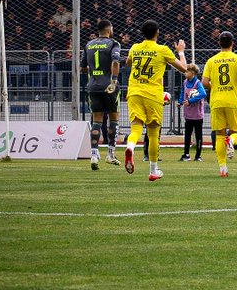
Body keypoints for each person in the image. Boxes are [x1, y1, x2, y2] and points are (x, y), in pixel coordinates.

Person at [124, 21, 187, 181]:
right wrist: (180, 52)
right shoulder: (162, 50)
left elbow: (128, 63)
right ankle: (153, 171)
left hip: (134, 92)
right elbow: (184, 68)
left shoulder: (135, 48)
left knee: (136, 127)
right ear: (157, 32)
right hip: (152, 94)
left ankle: (130, 147)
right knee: (153, 133)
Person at [202, 32, 237, 178]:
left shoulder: (211, 60)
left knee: (219, 135)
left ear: (219, 43)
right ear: (232, 43)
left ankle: (223, 169)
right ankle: (232, 141)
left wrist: (214, 87)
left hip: (216, 101)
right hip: (233, 100)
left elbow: (204, 82)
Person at [81, 18, 122, 170]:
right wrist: (114, 80)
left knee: (96, 120)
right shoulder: (113, 43)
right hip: (109, 86)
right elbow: (116, 61)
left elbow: (83, 67)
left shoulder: (89, 45)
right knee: (113, 118)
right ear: (109, 29)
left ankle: (93, 154)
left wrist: (94, 74)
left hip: (93, 86)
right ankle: (110, 154)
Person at [179, 64, 207, 161]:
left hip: (197, 115)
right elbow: (183, 92)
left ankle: (198, 155)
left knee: (198, 135)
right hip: (188, 114)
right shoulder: (185, 82)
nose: (185, 73)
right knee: (187, 134)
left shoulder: (198, 83)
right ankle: (186, 154)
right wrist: (180, 102)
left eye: (187, 71)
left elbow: (203, 93)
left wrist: (191, 101)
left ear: (193, 73)